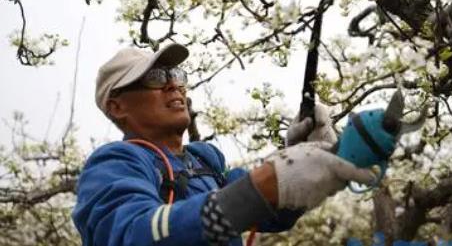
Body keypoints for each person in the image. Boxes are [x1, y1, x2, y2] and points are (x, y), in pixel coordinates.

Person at [72, 43, 376, 246]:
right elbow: (132, 233)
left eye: (175, 75)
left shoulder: (206, 162)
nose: (172, 84)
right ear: (117, 107)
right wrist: (262, 186)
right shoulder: (115, 163)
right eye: (154, 77)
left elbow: (272, 209)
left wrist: (303, 157)